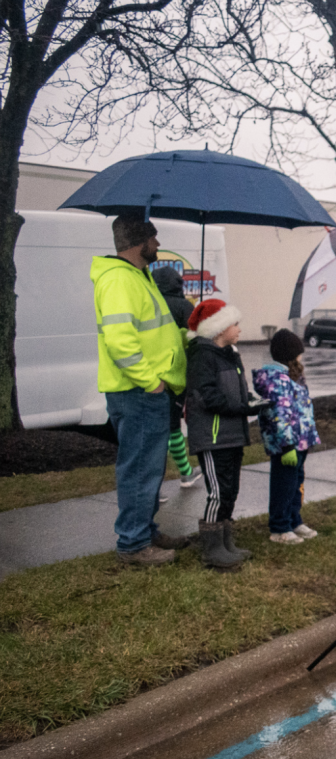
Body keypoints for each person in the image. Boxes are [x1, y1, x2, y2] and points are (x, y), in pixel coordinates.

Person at [92, 211, 190, 566]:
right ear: (139, 242)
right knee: (138, 468)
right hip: (138, 392)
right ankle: (133, 545)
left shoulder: (137, 277)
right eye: (154, 238)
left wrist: (184, 338)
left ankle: (144, 531)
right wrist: (152, 383)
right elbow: (121, 343)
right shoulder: (121, 281)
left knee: (149, 467)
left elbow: (152, 332)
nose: (159, 244)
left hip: (144, 392)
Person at [186, 299, 262, 569]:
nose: (240, 329)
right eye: (235, 323)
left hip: (232, 434)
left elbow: (236, 390)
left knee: (231, 489)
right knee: (218, 492)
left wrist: (252, 400)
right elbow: (208, 396)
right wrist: (242, 407)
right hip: (213, 436)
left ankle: (225, 541)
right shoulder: (202, 355)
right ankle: (211, 549)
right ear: (218, 328)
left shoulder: (231, 354)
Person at [253, 329, 321, 545]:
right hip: (287, 445)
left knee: (296, 481)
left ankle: (294, 519)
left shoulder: (294, 378)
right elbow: (281, 415)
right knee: (284, 483)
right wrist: (287, 445)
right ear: (291, 354)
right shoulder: (277, 381)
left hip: (300, 441)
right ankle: (279, 526)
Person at [151, 265, 201, 490]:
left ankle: (154, 487)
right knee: (172, 428)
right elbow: (195, 340)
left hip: (150, 376)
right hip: (175, 377)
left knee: (154, 432)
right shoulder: (184, 307)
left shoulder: (149, 305)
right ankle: (186, 473)